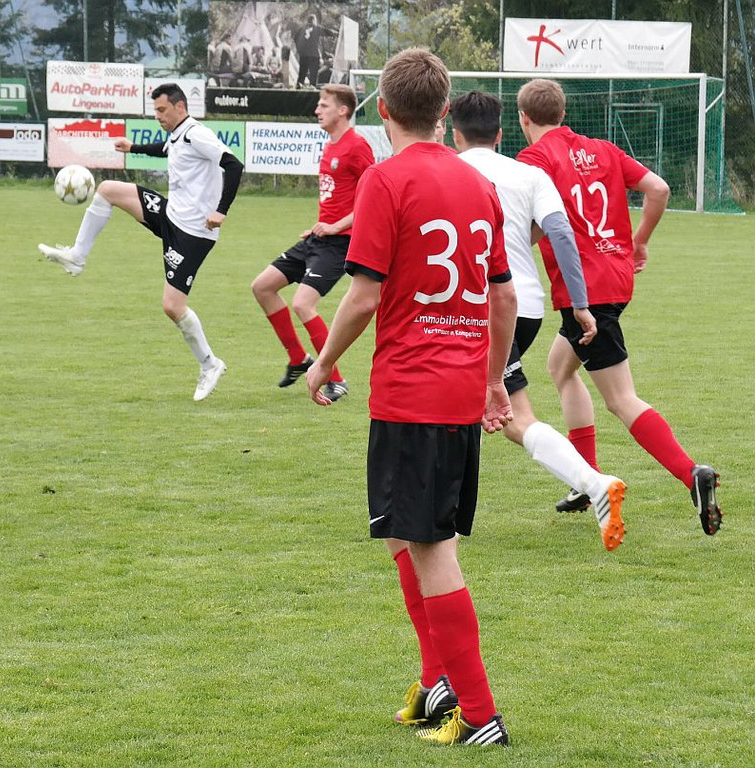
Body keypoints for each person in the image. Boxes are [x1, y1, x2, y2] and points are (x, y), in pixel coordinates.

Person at [307, 48, 514, 747]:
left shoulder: (385, 180)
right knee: (403, 531)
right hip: (455, 383)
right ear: (445, 112)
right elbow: (502, 295)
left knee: (429, 546)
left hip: (412, 386)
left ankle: (481, 715)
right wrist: (490, 380)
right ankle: (436, 684)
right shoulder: (475, 181)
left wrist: (322, 361)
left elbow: (362, 295)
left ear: (383, 111)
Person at [515, 78, 721, 535]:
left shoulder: (533, 160)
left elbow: (530, 227)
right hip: (616, 276)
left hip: (583, 291)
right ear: (563, 113)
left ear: (523, 118)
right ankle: (584, 480)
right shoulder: (603, 149)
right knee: (560, 368)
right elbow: (660, 189)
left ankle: (691, 472)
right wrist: (639, 242)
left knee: (620, 398)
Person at [451, 89, 627, 551]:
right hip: (524, 306)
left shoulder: (450, 170)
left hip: (476, 305)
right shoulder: (528, 173)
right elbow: (561, 235)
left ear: (454, 132)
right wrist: (581, 304)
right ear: (502, 133)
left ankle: (593, 484)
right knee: (470, 400)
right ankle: (446, 507)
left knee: (508, 414)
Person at [38, 83, 244, 402]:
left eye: (162, 110)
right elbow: (164, 149)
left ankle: (210, 364)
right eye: (155, 111)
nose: (158, 116)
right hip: (170, 214)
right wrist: (133, 147)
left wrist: (221, 211)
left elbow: (233, 164)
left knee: (172, 307)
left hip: (193, 232)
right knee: (107, 190)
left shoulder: (195, 134)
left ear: (179, 106)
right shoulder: (178, 136)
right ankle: (77, 256)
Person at [251, 83, 374, 402]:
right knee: (262, 287)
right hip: (318, 238)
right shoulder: (331, 144)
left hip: (340, 243)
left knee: (303, 303)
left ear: (343, 110)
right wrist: (321, 226)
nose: (317, 110)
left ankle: (336, 378)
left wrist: (335, 227)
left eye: (324, 105)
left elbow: (370, 200)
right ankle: (298, 359)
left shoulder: (357, 146)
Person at [294, 14, 322, 88]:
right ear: (314, 21)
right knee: (313, 74)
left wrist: (299, 49)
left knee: (302, 73)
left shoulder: (301, 29)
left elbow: (295, 38)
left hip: (304, 54)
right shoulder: (317, 28)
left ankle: (299, 86)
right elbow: (328, 32)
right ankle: (312, 86)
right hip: (313, 55)